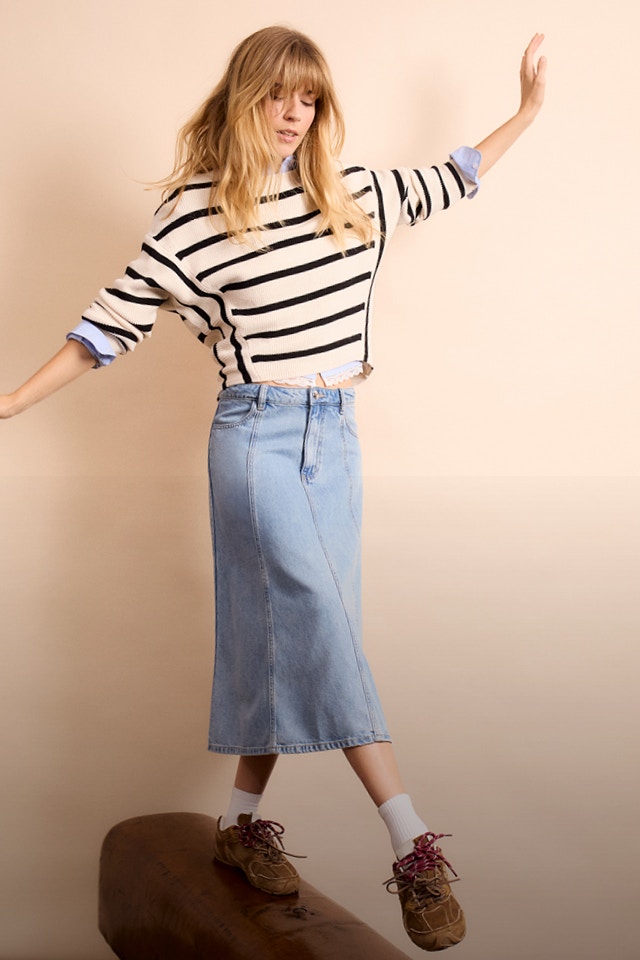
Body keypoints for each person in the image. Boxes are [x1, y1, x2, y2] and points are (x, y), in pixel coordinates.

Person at [0, 25, 546, 952]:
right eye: (278, 96)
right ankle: (414, 845)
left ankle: (244, 827)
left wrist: (528, 111)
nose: (295, 115)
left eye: (311, 99)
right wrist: (11, 402)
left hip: (338, 443)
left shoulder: (352, 194)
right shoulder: (194, 216)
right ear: (242, 99)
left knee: (282, 634)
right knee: (323, 626)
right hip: (255, 442)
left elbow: (455, 174)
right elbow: (105, 327)